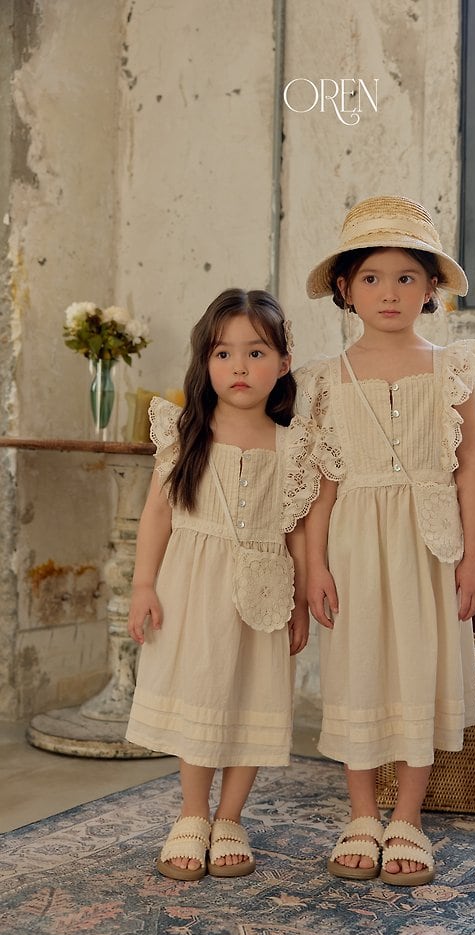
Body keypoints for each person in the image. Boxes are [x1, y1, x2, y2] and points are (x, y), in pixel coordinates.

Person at [297, 196, 475, 887]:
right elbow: (320, 482)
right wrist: (313, 565)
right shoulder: (325, 379)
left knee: (420, 669)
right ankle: (360, 813)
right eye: (372, 277)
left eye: (407, 277)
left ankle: (407, 816)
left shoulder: (450, 371)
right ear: (345, 288)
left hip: (430, 546)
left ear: (431, 286)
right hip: (353, 546)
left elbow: (469, 468)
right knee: (358, 666)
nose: (389, 292)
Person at [126, 288, 317, 882]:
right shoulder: (184, 434)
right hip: (193, 590)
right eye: (223, 353)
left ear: (283, 363)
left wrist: (301, 602)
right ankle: (192, 813)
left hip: (264, 592)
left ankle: (230, 817)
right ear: (205, 362)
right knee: (202, 694)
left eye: (256, 353)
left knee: (253, 697)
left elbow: (297, 528)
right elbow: (157, 514)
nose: (239, 367)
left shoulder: (292, 445)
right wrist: (143, 584)